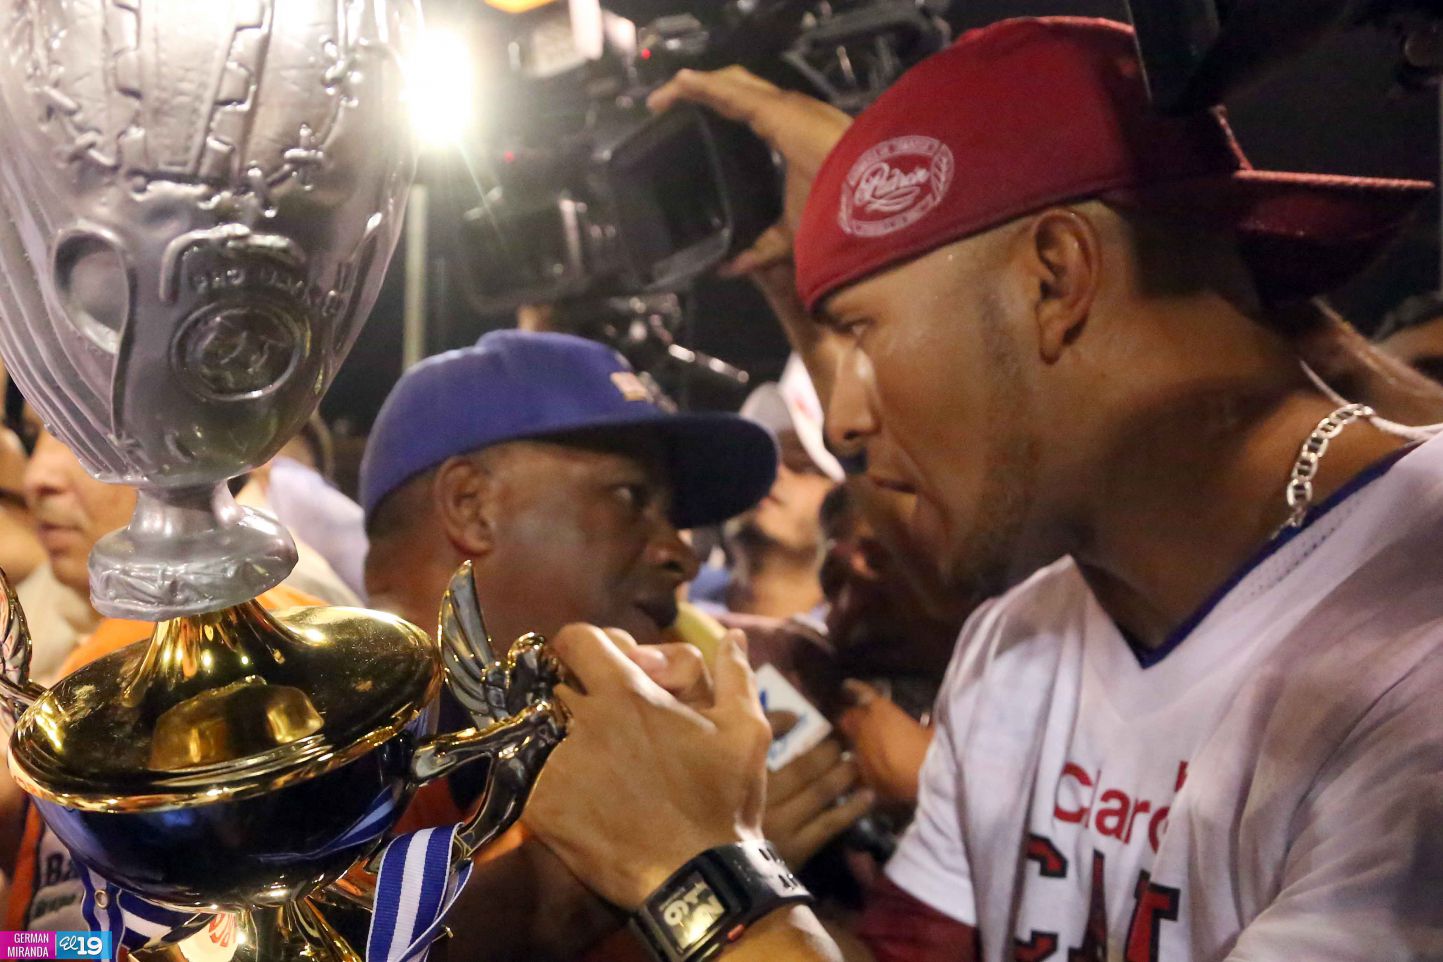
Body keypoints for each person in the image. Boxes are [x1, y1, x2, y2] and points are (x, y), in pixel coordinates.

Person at [506, 16, 1443, 962]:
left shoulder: (1414, 634)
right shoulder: (1019, 635)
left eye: (863, 329)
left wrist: (697, 874)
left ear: (1055, 277)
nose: (842, 422)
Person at [701, 360, 844, 621]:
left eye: (803, 464)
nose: (773, 471)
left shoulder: (859, 648)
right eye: (763, 455)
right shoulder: (665, 599)